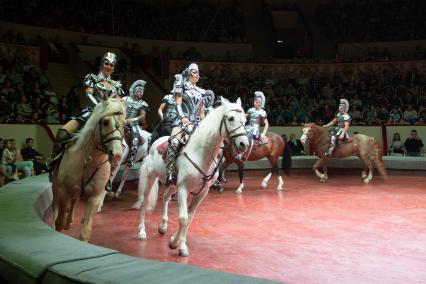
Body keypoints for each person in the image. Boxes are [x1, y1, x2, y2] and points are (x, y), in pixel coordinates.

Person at [48, 52, 124, 178]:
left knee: (118, 141)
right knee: (62, 133)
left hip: (108, 117)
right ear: (101, 64)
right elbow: (88, 94)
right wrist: (100, 108)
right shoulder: (91, 78)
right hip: (90, 112)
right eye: (107, 63)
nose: (109, 67)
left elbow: (117, 103)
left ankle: (110, 175)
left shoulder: (117, 85)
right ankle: (52, 163)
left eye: (112, 65)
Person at [165, 63, 206, 186]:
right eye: (194, 72)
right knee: (174, 142)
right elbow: (178, 104)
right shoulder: (181, 87)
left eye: (198, 73)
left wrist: (204, 124)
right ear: (188, 74)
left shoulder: (202, 92)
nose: (197, 75)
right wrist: (183, 118)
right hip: (182, 121)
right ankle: (170, 172)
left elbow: (202, 113)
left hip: (197, 124)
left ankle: (211, 174)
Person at [149, 75, 180, 147]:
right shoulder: (168, 97)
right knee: (153, 136)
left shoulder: (183, 99)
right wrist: (162, 117)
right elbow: (160, 109)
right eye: (176, 84)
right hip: (166, 120)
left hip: (177, 122)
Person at [124, 80, 149, 167]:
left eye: (142, 91)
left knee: (135, 138)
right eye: (139, 91)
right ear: (134, 90)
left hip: (134, 124)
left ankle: (131, 158)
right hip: (121, 121)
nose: (141, 93)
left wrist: (133, 120)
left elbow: (142, 116)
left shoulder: (143, 104)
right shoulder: (125, 99)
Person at [242, 91, 269, 159]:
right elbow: (244, 116)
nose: (255, 103)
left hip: (255, 129)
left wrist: (263, 134)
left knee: (247, 138)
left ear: (260, 103)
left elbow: (266, 124)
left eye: (256, 102)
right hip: (247, 127)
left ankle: (244, 154)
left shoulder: (262, 112)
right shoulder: (251, 110)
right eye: (254, 101)